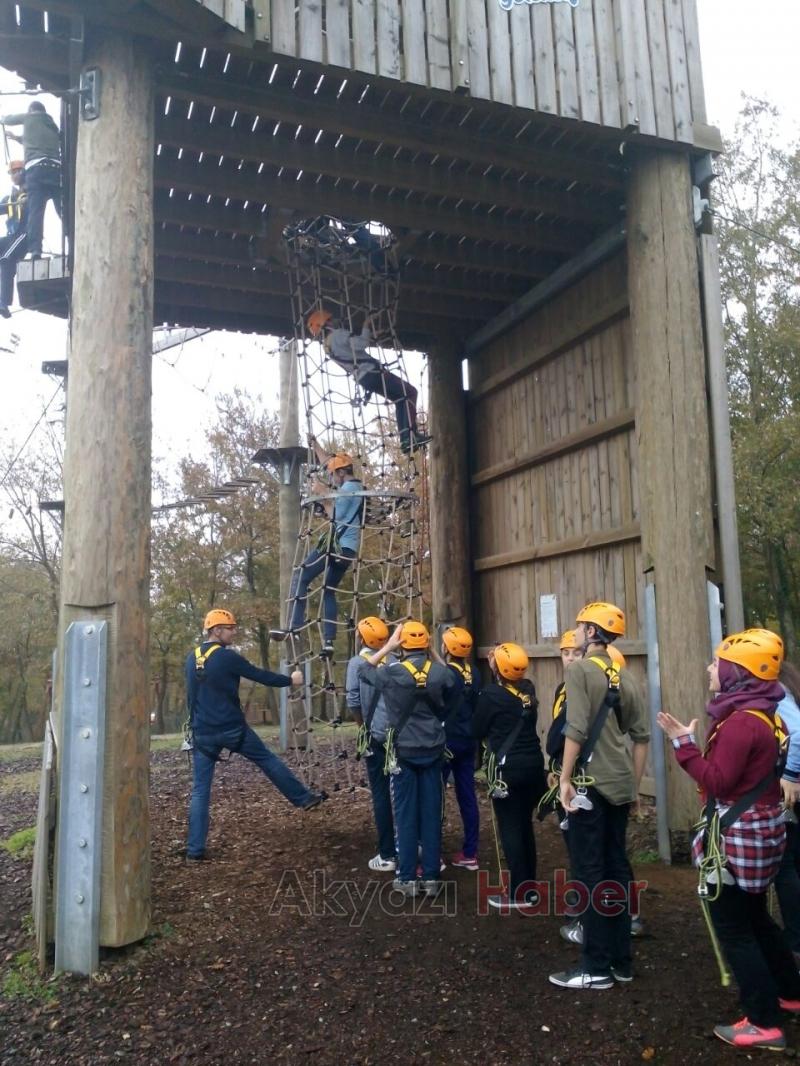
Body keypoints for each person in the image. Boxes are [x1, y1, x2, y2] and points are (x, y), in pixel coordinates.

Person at [658, 629, 800, 1051]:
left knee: (735, 929)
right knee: (757, 918)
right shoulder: (766, 713)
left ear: (737, 672)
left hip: (737, 840)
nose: (709, 668)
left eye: (716, 662)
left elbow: (717, 781)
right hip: (763, 831)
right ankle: (789, 993)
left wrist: (683, 745)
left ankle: (763, 1022)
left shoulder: (741, 723)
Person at [549, 601, 649, 990]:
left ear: (592, 633)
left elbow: (575, 730)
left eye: (579, 627)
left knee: (589, 873)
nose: (574, 634)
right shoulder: (627, 677)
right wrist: (635, 786)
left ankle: (594, 966)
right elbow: (640, 737)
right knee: (617, 870)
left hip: (589, 785)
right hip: (620, 783)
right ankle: (621, 960)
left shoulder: (578, 671)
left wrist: (565, 778)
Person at [185, 608, 325, 860]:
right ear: (216, 630)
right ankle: (302, 798)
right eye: (230, 628)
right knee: (267, 760)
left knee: (200, 790)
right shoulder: (227, 658)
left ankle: (195, 850)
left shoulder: (190, 659)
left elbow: (190, 697)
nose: (234, 632)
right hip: (232, 729)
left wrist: (194, 725)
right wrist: (290, 680)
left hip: (203, 733)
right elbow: (260, 676)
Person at [361, 620, 457, 898]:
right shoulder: (439, 674)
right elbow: (454, 682)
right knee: (430, 812)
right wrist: (434, 652)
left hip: (402, 751)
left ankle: (406, 877)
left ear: (402, 645)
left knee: (404, 814)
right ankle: (430, 876)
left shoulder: (393, 673)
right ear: (425, 644)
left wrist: (388, 646)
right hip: (432, 750)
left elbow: (365, 671)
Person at [472, 642, 546, 910]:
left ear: (497, 668)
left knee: (512, 829)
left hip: (508, 771)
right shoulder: (528, 690)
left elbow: (476, 728)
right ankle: (529, 888)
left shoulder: (491, 695)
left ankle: (519, 893)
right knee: (525, 827)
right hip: (534, 767)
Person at [274, 438, 365, 656]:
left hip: (335, 545)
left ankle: (293, 627)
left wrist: (323, 496)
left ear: (342, 473)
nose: (332, 478)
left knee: (301, 575)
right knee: (328, 591)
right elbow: (328, 462)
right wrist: (315, 445)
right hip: (349, 551)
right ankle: (329, 641)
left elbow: (336, 516)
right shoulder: (355, 485)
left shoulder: (348, 490)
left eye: (334, 475)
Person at [307, 309, 430, 455]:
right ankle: (410, 436)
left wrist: (373, 335)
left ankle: (406, 439)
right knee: (410, 392)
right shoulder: (338, 334)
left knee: (399, 399)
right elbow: (361, 344)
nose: (334, 320)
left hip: (364, 379)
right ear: (325, 324)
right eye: (330, 319)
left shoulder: (327, 347)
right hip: (372, 373)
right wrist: (367, 323)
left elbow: (353, 348)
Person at [345, 615, 397, 872]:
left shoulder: (357, 663)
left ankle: (387, 852)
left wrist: (362, 726)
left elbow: (353, 700)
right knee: (403, 791)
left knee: (380, 791)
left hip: (375, 735)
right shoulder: (396, 661)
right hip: (399, 736)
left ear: (362, 638)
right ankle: (409, 844)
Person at [440, 626, 480, 870]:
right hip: (468, 741)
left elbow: (443, 681)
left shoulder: (443, 674)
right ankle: (470, 852)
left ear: (447, 648)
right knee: (467, 796)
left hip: (446, 741)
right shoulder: (473, 672)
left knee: (435, 795)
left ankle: (433, 851)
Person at [0, 101, 61, 259]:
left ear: (32, 110)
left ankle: (35, 250)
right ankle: (72, 236)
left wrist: (3, 118)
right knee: (62, 209)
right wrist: (18, 138)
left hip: (36, 169)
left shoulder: (29, 117)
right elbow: (38, 140)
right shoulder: (52, 125)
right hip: (55, 168)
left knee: (36, 211)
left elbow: (9, 119)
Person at [774, 659, 800, 963]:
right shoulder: (788, 685)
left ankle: (795, 942)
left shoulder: (776, 691)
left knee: (786, 866)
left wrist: (790, 776)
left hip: (791, 790)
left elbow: (796, 735)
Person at [0, 160, 26, 317]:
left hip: (23, 235)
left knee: (7, 259)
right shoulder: (9, 198)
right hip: (11, 237)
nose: (14, 175)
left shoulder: (30, 190)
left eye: (17, 171)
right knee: (5, 258)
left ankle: (4, 301)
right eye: (12, 173)